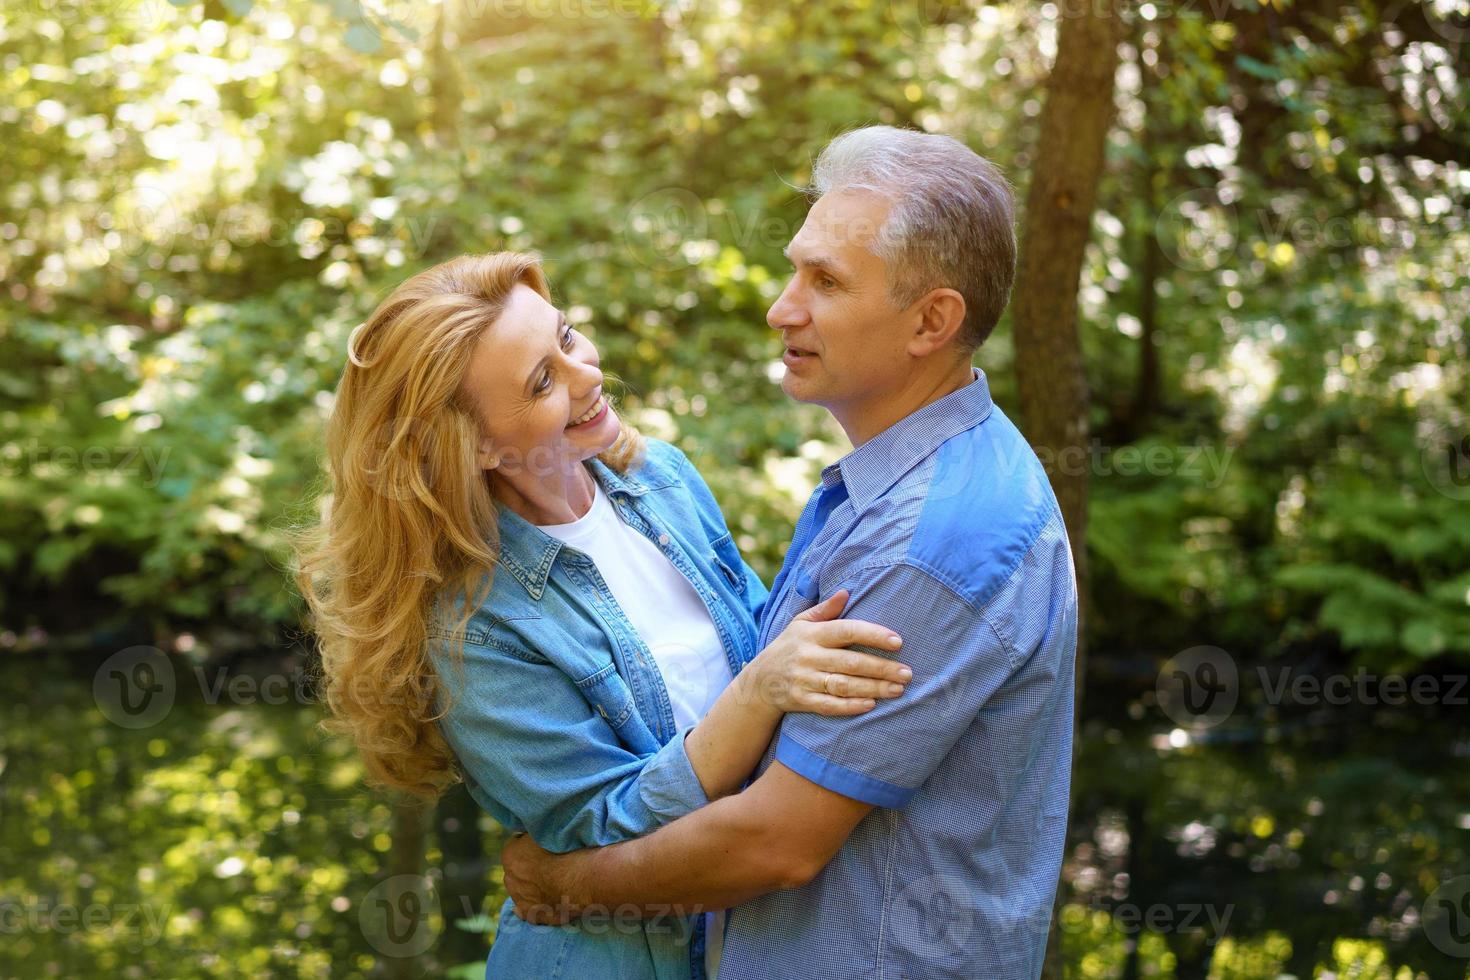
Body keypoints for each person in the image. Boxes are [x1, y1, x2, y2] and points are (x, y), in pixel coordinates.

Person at [502, 125, 1080, 979]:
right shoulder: (894, 479)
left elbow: (775, 842)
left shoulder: (934, 540)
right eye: (794, 268)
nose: (783, 308)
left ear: (933, 321)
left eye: (826, 282)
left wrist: (561, 889)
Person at [291, 249, 914, 979]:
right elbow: (600, 830)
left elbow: (766, 640)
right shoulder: (469, 626)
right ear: (477, 445)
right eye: (543, 382)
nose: (587, 374)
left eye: (565, 336)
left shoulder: (662, 480)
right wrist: (759, 693)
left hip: (754, 941)